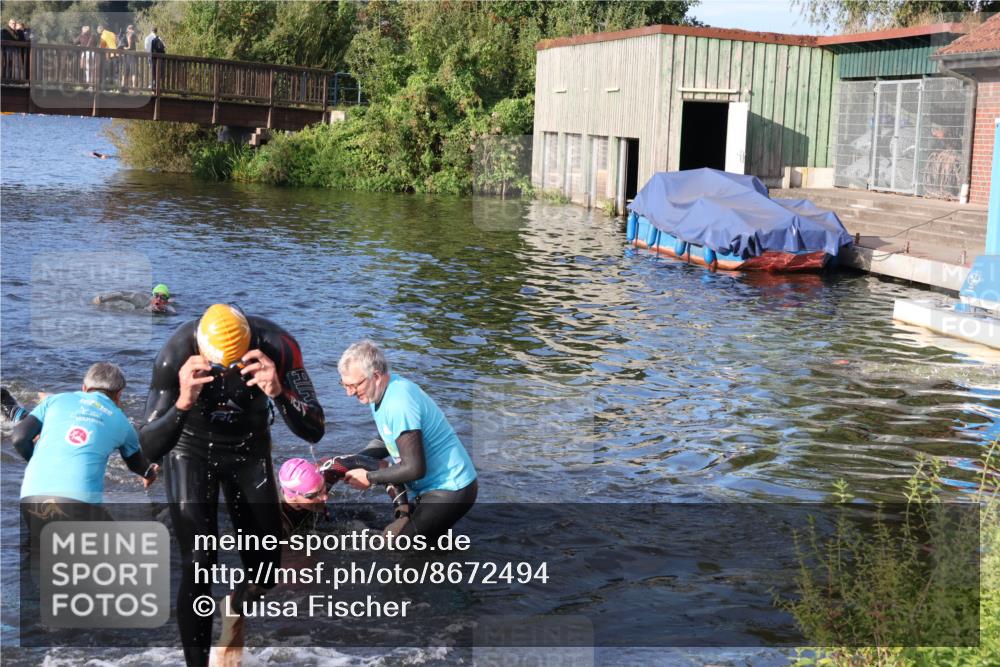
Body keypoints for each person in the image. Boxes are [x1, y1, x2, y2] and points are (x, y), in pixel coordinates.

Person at [140, 303, 324, 667]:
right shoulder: (175, 354)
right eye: (218, 365)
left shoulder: (280, 346)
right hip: (190, 450)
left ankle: (235, 604)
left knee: (267, 569)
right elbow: (148, 446)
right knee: (199, 562)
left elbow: (315, 427)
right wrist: (181, 403)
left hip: (248, 451)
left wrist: (278, 393)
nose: (226, 373)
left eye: (233, 365)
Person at [337, 340, 477, 540]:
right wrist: (351, 461)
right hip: (430, 487)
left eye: (353, 386)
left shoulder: (398, 402)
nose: (348, 393)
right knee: (425, 546)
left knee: (399, 547)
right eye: (344, 384)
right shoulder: (380, 392)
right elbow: (387, 438)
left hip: (450, 488)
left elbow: (414, 468)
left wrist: (368, 478)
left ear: (375, 376)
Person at [11, 363, 158, 512]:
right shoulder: (123, 423)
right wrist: (149, 474)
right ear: (119, 394)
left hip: (31, 498)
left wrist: (38, 460)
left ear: (84, 388)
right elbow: (135, 463)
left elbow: (19, 438)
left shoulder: (55, 400)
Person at [93, 283, 175, 314]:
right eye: (156, 295)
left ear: (166, 301)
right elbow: (120, 295)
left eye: (163, 297)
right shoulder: (140, 298)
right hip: (113, 303)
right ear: (153, 296)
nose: (159, 299)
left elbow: (173, 312)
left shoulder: (168, 309)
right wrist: (101, 299)